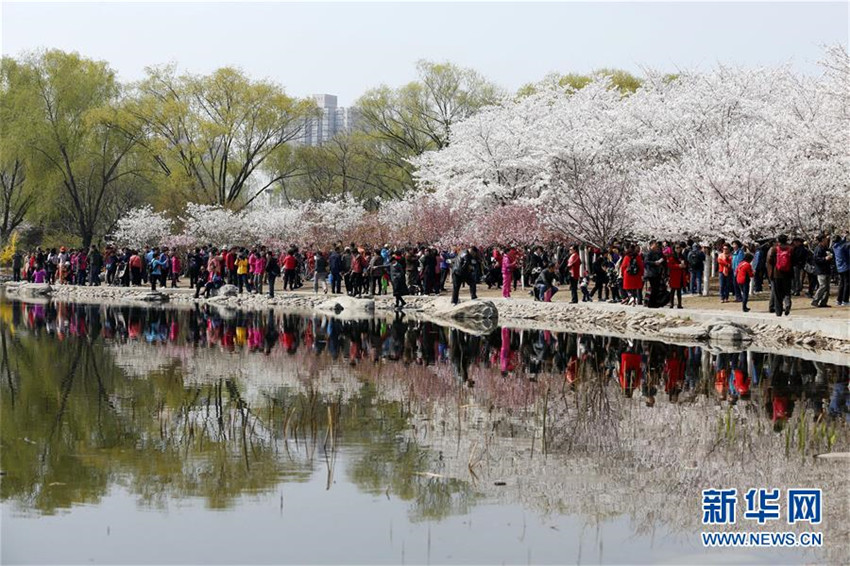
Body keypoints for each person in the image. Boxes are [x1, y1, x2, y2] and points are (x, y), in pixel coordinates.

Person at [767, 235, 794, 317]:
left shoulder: (774, 249)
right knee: (787, 291)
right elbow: (794, 260)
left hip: (776, 274)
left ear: (778, 240)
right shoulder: (791, 249)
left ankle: (778, 312)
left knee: (777, 293)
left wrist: (770, 273)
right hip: (788, 274)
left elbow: (769, 260)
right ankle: (787, 304)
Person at [811, 235, 834, 308]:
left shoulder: (826, 248)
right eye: (825, 239)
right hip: (821, 270)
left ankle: (823, 302)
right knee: (822, 286)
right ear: (822, 240)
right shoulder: (818, 249)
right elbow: (816, 259)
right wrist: (825, 259)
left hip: (827, 269)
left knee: (827, 287)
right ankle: (815, 300)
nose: (827, 240)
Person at [667, 243, 687, 309]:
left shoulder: (682, 256)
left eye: (679, 247)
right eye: (677, 248)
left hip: (681, 275)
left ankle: (679, 304)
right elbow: (670, 265)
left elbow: (686, 263)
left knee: (679, 290)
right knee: (672, 290)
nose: (678, 249)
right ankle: (671, 304)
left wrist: (684, 265)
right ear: (674, 249)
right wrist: (678, 266)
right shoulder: (671, 256)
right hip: (674, 275)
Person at [833, 235, 849, 306]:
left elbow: (843, 243)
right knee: (847, 284)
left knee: (842, 284)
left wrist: (844, 237)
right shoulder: (843, 247)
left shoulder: (835, 247)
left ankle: (839, 300)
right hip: (846, 267)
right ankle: (845, 300)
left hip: (839, 267)